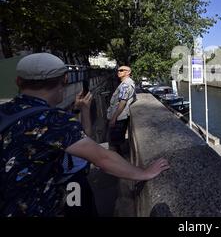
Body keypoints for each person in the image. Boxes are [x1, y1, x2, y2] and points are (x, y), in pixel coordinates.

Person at [0, 53, 169, 217]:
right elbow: (102, 158)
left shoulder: (5, 111)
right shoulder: (56, 120)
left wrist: (83, 110)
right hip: (48, 202)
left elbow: (79, 141)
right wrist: (144, 173)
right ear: (65, 80)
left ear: (18, 81)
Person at [107, 66, 136, 155]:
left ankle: (115, 164)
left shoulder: (125, 85)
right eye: (119, 70)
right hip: (120, 117)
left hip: (118, 118)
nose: (119, 71)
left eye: (122, 70)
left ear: (128, 72)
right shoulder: (128, 83)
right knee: (117, 143)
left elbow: (122, 102)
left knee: (113, 144)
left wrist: (113, 118)